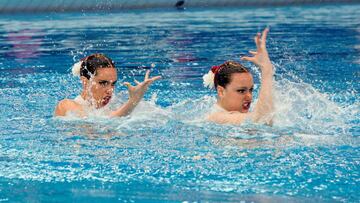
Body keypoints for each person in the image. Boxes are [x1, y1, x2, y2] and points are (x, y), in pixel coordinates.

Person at [203, 28, 274, 125]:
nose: (249, 96)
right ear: (221, 91)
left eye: (251, 90)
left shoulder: (236, 114)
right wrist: (266, 70)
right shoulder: (218, 117)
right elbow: (262, 119)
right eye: (241, 91)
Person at [55, 53, 161, 117]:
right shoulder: (66, 106)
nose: (110, 90)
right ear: (85, 81)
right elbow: (93, 127)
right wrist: (133, 101)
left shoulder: (115, 106)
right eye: (103, 83)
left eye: (113, 84)